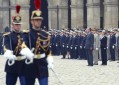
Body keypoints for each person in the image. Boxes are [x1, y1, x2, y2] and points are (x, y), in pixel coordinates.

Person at [23, 0, 53, 85]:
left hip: (42, 65)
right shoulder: (27, 34)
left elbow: (48, 50)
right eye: (36, 20)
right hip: (30, 64)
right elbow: (23, 45)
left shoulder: (45, 34)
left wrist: (50, 60)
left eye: (39, 20)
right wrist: (27, 52)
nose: (38, 21)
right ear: (32, 21)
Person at [3, 5, 26, 85]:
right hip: (12, 64)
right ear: (12, 25)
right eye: (16, 24)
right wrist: (8, 54)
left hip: (23, 64)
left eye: (19, 24)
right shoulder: (8, 36)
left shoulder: (25, 35)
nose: (18, 26)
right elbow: (6, 47)